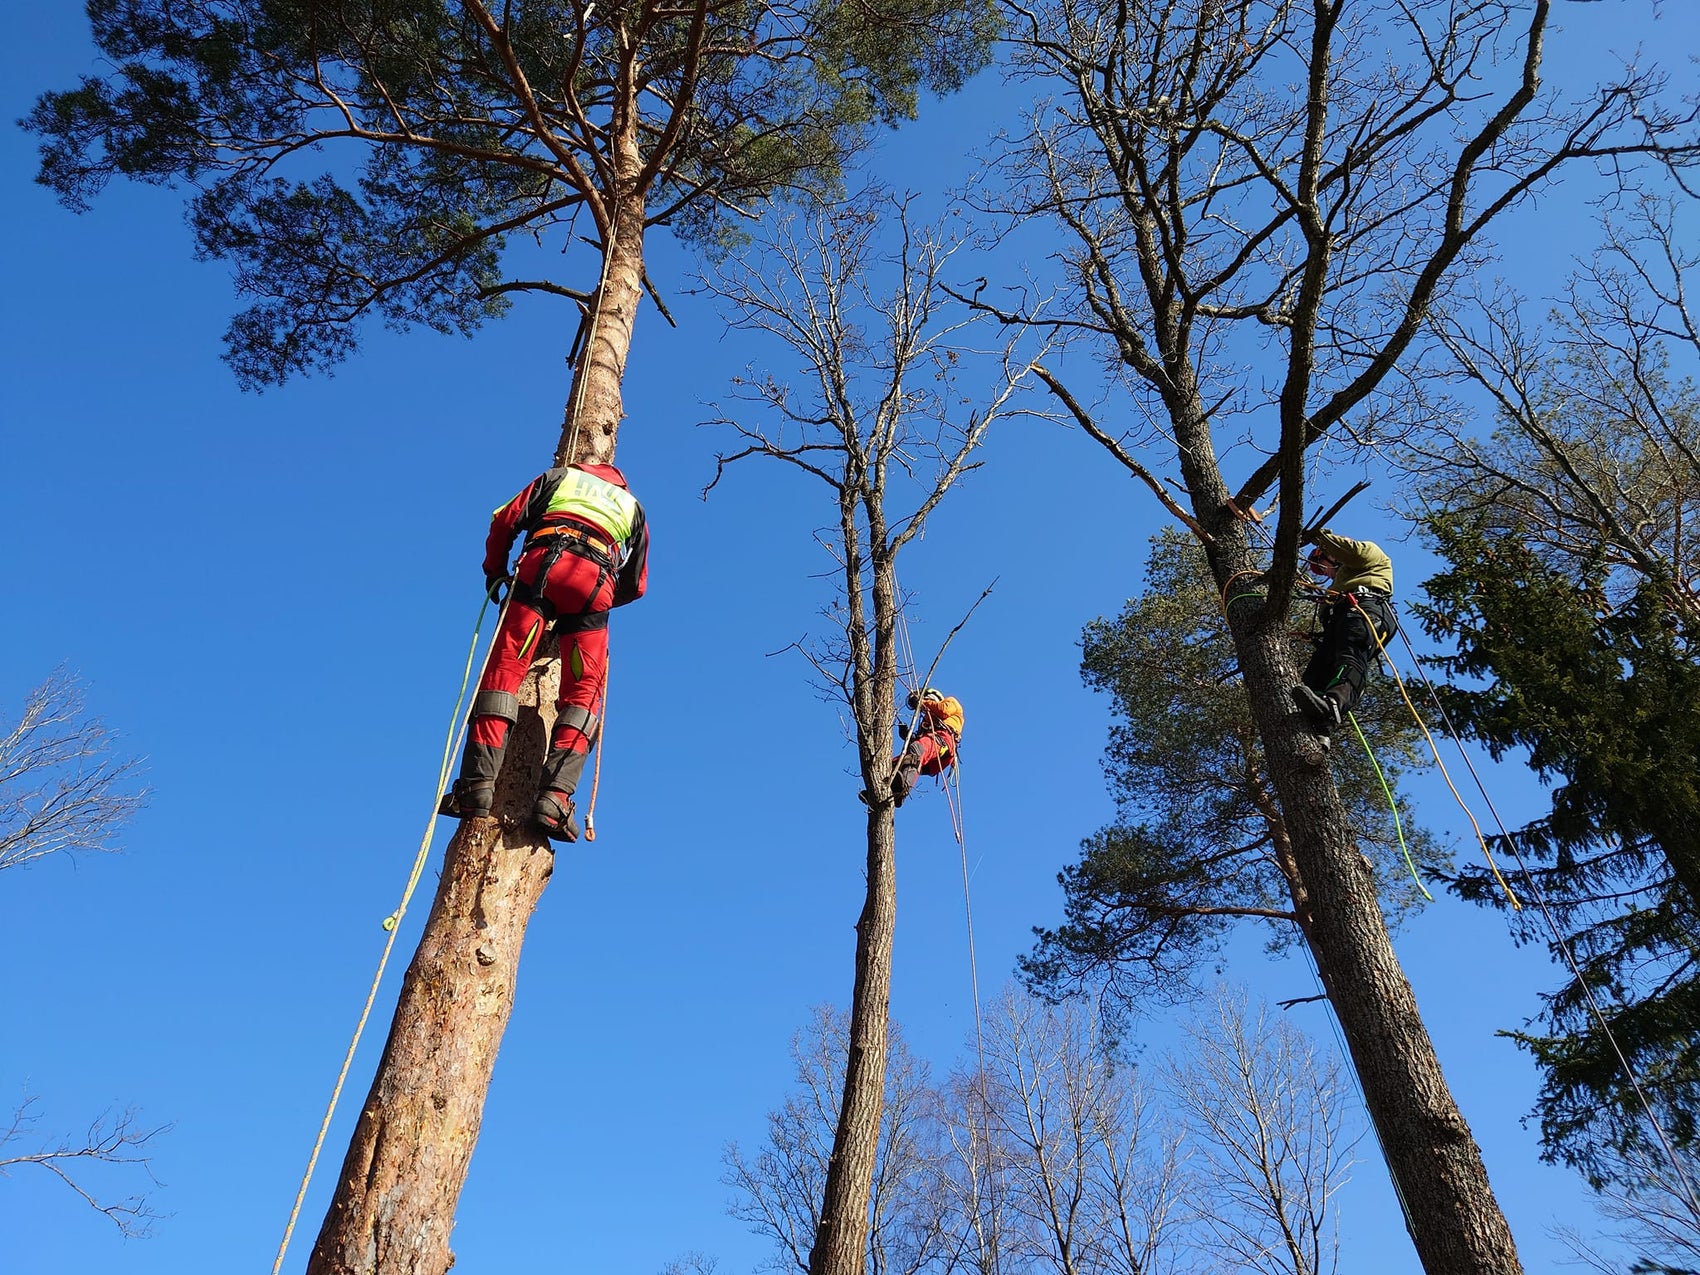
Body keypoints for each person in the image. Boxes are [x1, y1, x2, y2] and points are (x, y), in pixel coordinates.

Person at [439, 462, 648, 841]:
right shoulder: (632, 507)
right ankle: (555, 800)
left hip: (541, 568)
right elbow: (635, 585)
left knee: (503, 672)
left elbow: (505, 519)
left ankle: (476, 786)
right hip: (596, 583)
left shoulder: (560, 478)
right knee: (584, 694)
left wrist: (495, 570)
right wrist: (591, 604)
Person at [1291, 528, 1395, 729]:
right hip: (1345, 616)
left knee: (1351, 653)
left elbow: (1350, 551)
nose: (1327, 574)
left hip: (1366, 609)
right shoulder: (1338, 586)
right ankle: (1320, 727)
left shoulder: (1369, 552)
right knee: (1316, 673)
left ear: (1333, 555)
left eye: (1323, 567)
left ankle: (1333, 705)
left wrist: (1320, 537)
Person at [889, 687, 964, 807]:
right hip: (931, 755)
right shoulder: (927, 721)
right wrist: (907, 735)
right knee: (894, 763)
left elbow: (943, 710)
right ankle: (886, 792)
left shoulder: (950, 702)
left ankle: (903, 789)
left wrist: (922, 702)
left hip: (943, 740)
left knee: (916, 751)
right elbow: (919, 744)